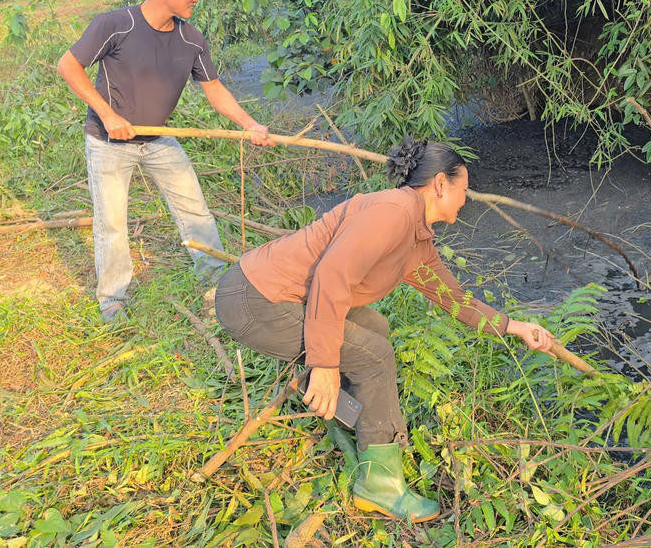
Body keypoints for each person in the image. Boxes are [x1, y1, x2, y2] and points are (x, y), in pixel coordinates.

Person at [214, 137, 556, 522]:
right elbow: (332, 275)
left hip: (281, 296)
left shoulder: (415, 239)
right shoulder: (392, 212)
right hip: (256, 299)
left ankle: (347, 419)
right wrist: (324, 364)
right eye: (464, 188)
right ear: (440, 184)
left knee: (375, 327)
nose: (466, 198)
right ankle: (378, 485)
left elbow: (455, 300)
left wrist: (515, 327)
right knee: (373, 356)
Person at [57, 0, 273, 321]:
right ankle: (112, 300)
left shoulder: (191, 39)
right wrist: (108, 115)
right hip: (109, 143)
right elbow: (68, 65)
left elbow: (214, 89)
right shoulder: (116, 24)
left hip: (159, 141)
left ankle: (216, 287)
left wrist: (249, 124)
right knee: (112, 222)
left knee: (195, 212)